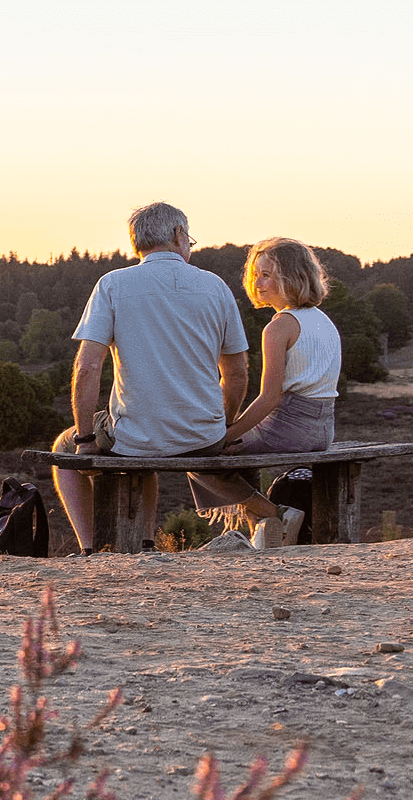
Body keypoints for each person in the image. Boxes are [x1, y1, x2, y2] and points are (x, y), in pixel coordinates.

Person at [51, 202, 245, 552]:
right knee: (143, 440)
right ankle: (145, 543)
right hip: (206, 436)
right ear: (177, 235)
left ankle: (90, 548)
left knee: (64, 447)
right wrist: (223, 427)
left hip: (135, 438)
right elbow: (236, 372)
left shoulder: (112, 284)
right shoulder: (215, 287)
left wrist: (84, 437)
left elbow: (87, 368)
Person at [189, 236, 341, 550]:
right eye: (256, 274)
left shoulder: (279, 327)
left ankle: (274, 515)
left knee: (197, 456)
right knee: (241, 453)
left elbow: (270, 398)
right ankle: (265, 530)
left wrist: (227, 434)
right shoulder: (324, 322)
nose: (258, 282)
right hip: (322, 430)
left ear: (292, 278)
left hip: (288, 428)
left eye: (267, 275)